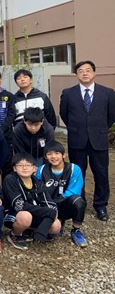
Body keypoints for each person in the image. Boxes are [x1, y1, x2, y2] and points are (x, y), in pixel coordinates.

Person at [59, 60, 115, 222]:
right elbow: (64, 115)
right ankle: (79, 202)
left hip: (99, 138)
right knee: (78, 173)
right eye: (81, 71)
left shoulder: (108, 93)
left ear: (94, 73)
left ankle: (100, 205)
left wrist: (100, 128)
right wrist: (78, 127)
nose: (85, 73)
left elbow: (111, 116)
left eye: (88, 70)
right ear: (76, 75)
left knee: (101, 173)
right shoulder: (69, 93)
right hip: (77, 139)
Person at [3, 154, 61, 250]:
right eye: (20, 165)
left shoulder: (37, 182)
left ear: (34, 168)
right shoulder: (10, 180)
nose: (24, 168)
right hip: (14, 214)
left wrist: (50, 213)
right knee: (26, 216)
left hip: (35, 212)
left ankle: (34, 231)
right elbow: (19, 204)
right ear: (14, 168)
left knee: (56, 225)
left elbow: (49, 202)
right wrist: (48, 212)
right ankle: (15, 234)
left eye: (28, 165)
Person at [35, 141, 88, 247]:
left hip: (65, 204)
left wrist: (55, 203)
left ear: (64, 155)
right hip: (47, 205)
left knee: (78, 201)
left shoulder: (74, 169)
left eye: (57, 153)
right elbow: (37, 190)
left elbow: (75, 191)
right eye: (49, 154)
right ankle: (57, 222)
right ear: (45, 156)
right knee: (49, 235)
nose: (53, 157)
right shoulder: (41, 170)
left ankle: (76, 230)